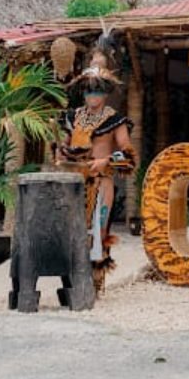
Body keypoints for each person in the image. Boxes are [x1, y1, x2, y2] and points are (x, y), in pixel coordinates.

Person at [56, 36, 135, 294]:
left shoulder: (115, 121)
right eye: (89, 89)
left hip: (101, 184)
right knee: (70, 232)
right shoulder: (73, 117)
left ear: (106, 91)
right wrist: (61, 153)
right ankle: (71, 282)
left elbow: (129, 156)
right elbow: (61, 146)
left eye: (98, 89)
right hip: (73, 184)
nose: (93, 95)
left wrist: (106, 160)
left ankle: (95, 281)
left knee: (98, 232)